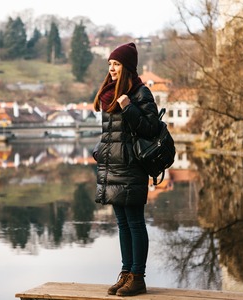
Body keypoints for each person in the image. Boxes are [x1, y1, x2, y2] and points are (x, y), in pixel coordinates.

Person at [92, 42, 160, 297]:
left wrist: (128, 107)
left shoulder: (140, 93)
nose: (111, 68)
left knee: (134, 222)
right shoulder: (109, 92)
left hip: (132, 166)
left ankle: (138, 277)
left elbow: (151, 129)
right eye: (110, 64)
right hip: (113, 165)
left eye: (116, 64)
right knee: (122, 223)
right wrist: (99, 150)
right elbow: (112, 133)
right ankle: (125, 273)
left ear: (127, 67)